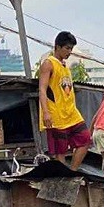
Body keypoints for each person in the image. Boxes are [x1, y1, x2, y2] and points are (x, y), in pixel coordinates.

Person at [38, 31, 91, 169]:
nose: (69, 52)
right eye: (67, 48)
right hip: (56, 115)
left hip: (71, 113)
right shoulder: (48, 64)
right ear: (58, 47)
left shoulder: (65, 66)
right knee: (59, 152)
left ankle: (73, 170)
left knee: (85, 139)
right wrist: (46, 112)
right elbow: (42, 89)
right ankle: (63, 176)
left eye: (71, 49)